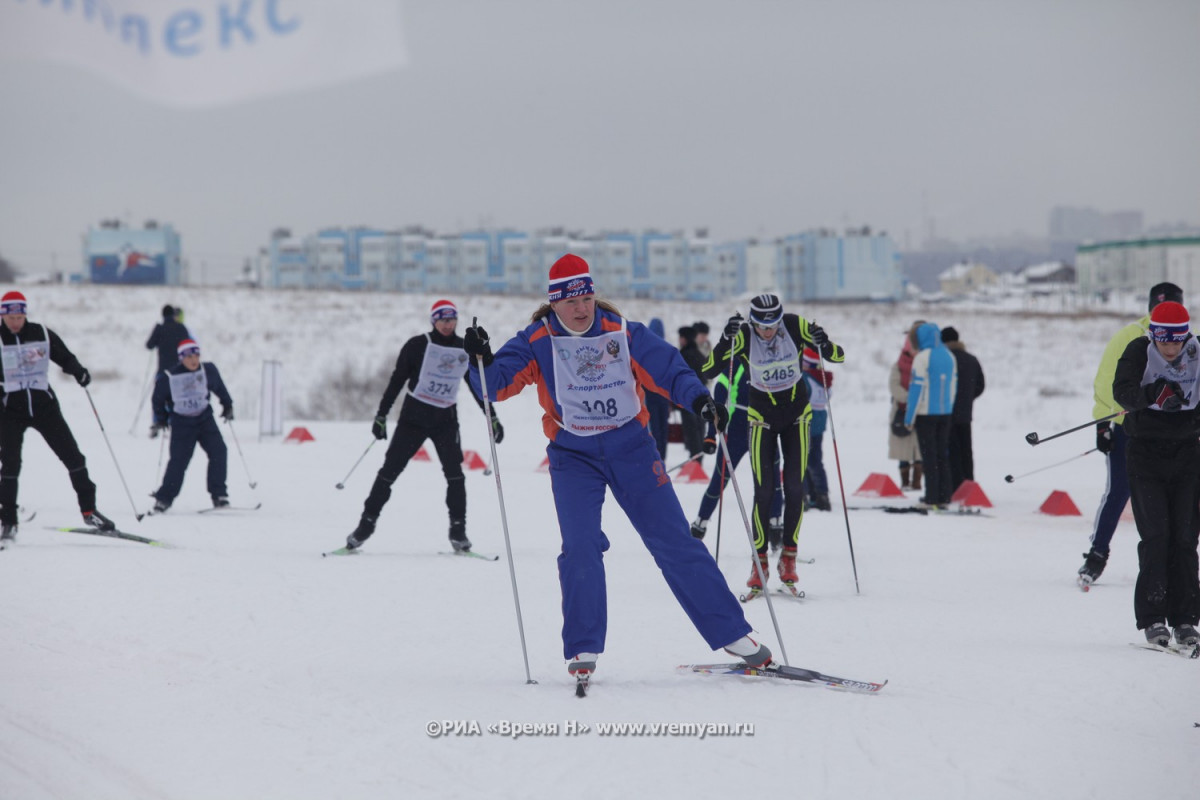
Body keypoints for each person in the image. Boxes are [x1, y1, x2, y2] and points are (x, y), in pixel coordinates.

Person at [464, 254, 772, 686]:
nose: (582, 308)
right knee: (580, 544)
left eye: (587, 297)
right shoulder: (538, 339)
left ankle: (734, 634)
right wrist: (478, 358)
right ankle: (584, 646)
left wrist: (700, 401)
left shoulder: (622, 332)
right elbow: (493, 384)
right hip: (573, 457)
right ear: (555, 303)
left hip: (631, 447)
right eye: (571, 301)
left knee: (674, 541)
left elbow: (669, 369)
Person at [703, 293, 845, 594]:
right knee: (764, 489)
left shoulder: (794, 325)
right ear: (752, 321)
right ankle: (760, 561)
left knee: (795, 486)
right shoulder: (743, 335)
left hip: (797, 417)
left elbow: (838, 355)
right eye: (761, 326)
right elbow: (709, 371)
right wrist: (724, 340)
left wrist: (823, 341)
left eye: (773, 325)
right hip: (761, 419)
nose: (768, 332)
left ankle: (789, 558)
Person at [342, 299, 502, 553]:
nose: (448, 325)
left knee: (455, 476)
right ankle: (365, 526)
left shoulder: (464, 347)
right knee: (388, 473)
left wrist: (491, 417)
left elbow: (476, 386)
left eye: (452, 320)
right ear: (433, 321)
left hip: (445, 421)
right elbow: (397, 381)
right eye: (443, 320)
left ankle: (458, 532)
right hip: (413, 419)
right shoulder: (418, 345)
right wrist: (381, 415)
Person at [1110, 300, 1200, 649]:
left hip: (1187, 454)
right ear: (1154, 336)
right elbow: (1123, 393)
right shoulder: (1138, 350)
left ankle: (1185, 619)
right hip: (1146, 453)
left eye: (1177, 341)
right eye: (1164, 341)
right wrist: (1153, 394)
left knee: (1184, 538)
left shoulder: (1196, 351)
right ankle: (1152, 619)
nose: (1172, 348)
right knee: (1157, 536)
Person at [1080, 283, 1183, 587]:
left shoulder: (1185, 343)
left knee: (1177, 498)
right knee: (1118, 492)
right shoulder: (1129, 336)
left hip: (1170, 433)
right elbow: (1105, 381)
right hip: (1127, 428)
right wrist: (1102, 423)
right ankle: (1096, 555)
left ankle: (1175, 566)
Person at [0, 290, 115, 542]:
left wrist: (79, 372)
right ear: (3, 316)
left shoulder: (40, 333)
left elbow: (63, 355)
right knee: (10, 465)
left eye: (19, 317)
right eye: (11, 318)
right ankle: (8, 520)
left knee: (73, 457)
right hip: (9, 410)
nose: (16, 322)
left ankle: (89, 511)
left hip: (44, 407)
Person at [688, 360, 784, 544]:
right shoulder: (735, 364)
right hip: (736, 432)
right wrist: (710, 435)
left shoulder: (770, 360)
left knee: (772, 481)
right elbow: (718, 400)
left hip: (765, 430)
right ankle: (699, 526)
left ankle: (775, 527)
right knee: (719, 480)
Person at [150, 338, 234, 512]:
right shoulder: (169, 377)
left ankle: (219, 496)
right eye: (189, 356)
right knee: (178, 462)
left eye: (196, 355)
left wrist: (227, 405)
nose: (194, 360)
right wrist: (161, 418)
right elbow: (157, 398)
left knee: (219, 451)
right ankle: (163, 499)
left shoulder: (207, 370)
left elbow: (220, 387)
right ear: (181, 358)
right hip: (182, 424)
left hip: (205, 420)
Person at [903, 322, 957, 509]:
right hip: (945, 413)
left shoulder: (922, 357)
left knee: (929, 457)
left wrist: (909, 418)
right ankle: (945, 495)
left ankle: (931, 497)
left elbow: (916, 390)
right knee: (943, 454)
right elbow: (953, 386)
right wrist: (949, 408)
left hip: (926, 414)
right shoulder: (949, 356)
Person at [940, 326, 985, 494]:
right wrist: (967, 398)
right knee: (966, 450)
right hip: (965, 414)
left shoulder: (946, 359)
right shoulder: (971, 359)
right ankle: (969, 484)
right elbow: (980, 385)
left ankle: (955, 486)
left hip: (946, 412)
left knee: (952, 451)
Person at [888, 322, 924, 492]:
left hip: (921, 411)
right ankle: (904, 481)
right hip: (902, 410)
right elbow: (894, 385)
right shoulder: (899, 364)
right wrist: (912, 399)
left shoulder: (925, 362)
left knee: (919, 448)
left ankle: (917, 480)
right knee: (902, 444)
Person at [801, 347, 833, 511]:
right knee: (815, 461)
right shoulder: (824, 378)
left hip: (806, 423)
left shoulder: (805, 378)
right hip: (819, 424)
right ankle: (822, 495)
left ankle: (802, 496)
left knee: (799, 461)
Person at [676, 325, 706, 461]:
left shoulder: (683, 355)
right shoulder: (699, 355)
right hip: (701, 398)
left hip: (687, 398)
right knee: (699, 428)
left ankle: (695, 459)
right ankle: (699, 457)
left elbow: (679, 378)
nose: (679, 340)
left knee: (691, 430)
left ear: (685, 339)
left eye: (681, 337)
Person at [645, 318, 671, 460]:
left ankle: (655, 459)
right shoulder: (666, 350)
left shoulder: (643, 350)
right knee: (662, 430)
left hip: (649, 397)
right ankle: (662, 459)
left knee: (653, 430)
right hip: (663, 397)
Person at [145, 304, 191, 373]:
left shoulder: (160, 329)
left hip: (164, 370)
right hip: (180, 368)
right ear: (173, 314)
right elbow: (188, 345)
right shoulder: (181, 328)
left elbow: (149, 345)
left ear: (163, 315)